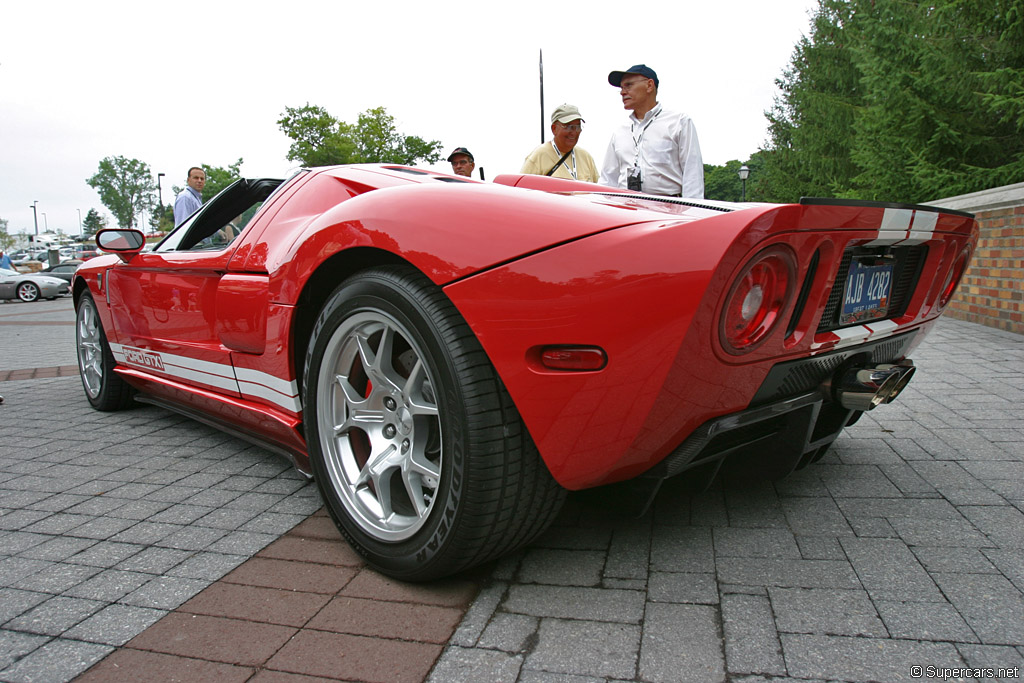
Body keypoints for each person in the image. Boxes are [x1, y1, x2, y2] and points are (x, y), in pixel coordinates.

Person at [600, 64, 704, 198]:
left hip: (668, 209)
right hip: (625, 208)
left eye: (629, 85)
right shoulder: (620, 132)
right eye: (621, 87)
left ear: (649, 85)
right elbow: (608, 180)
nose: (622, 92)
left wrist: (692, 213)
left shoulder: (678, 122)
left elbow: (693, 175)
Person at [521, 104, 599, 182]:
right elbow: (521, 191)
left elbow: (599, 190)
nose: (573, 132)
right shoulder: (538, 157)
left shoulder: (586, 157)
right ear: (554, 128)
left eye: (577, 127)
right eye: (569, 127)